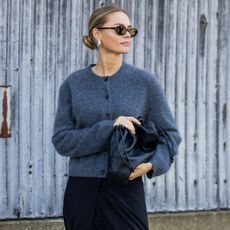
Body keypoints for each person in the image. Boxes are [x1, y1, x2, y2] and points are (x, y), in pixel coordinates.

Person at [52, 5, 181, 230]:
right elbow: (62, 140)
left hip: (126, 188)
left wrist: (150, 165)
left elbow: (170, 136)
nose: (127, 35)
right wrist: (109, 127)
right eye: (120, 29)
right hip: (82, 189)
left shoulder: (144, 83)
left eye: (131, 30)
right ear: (97, 33)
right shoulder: (73, 84)